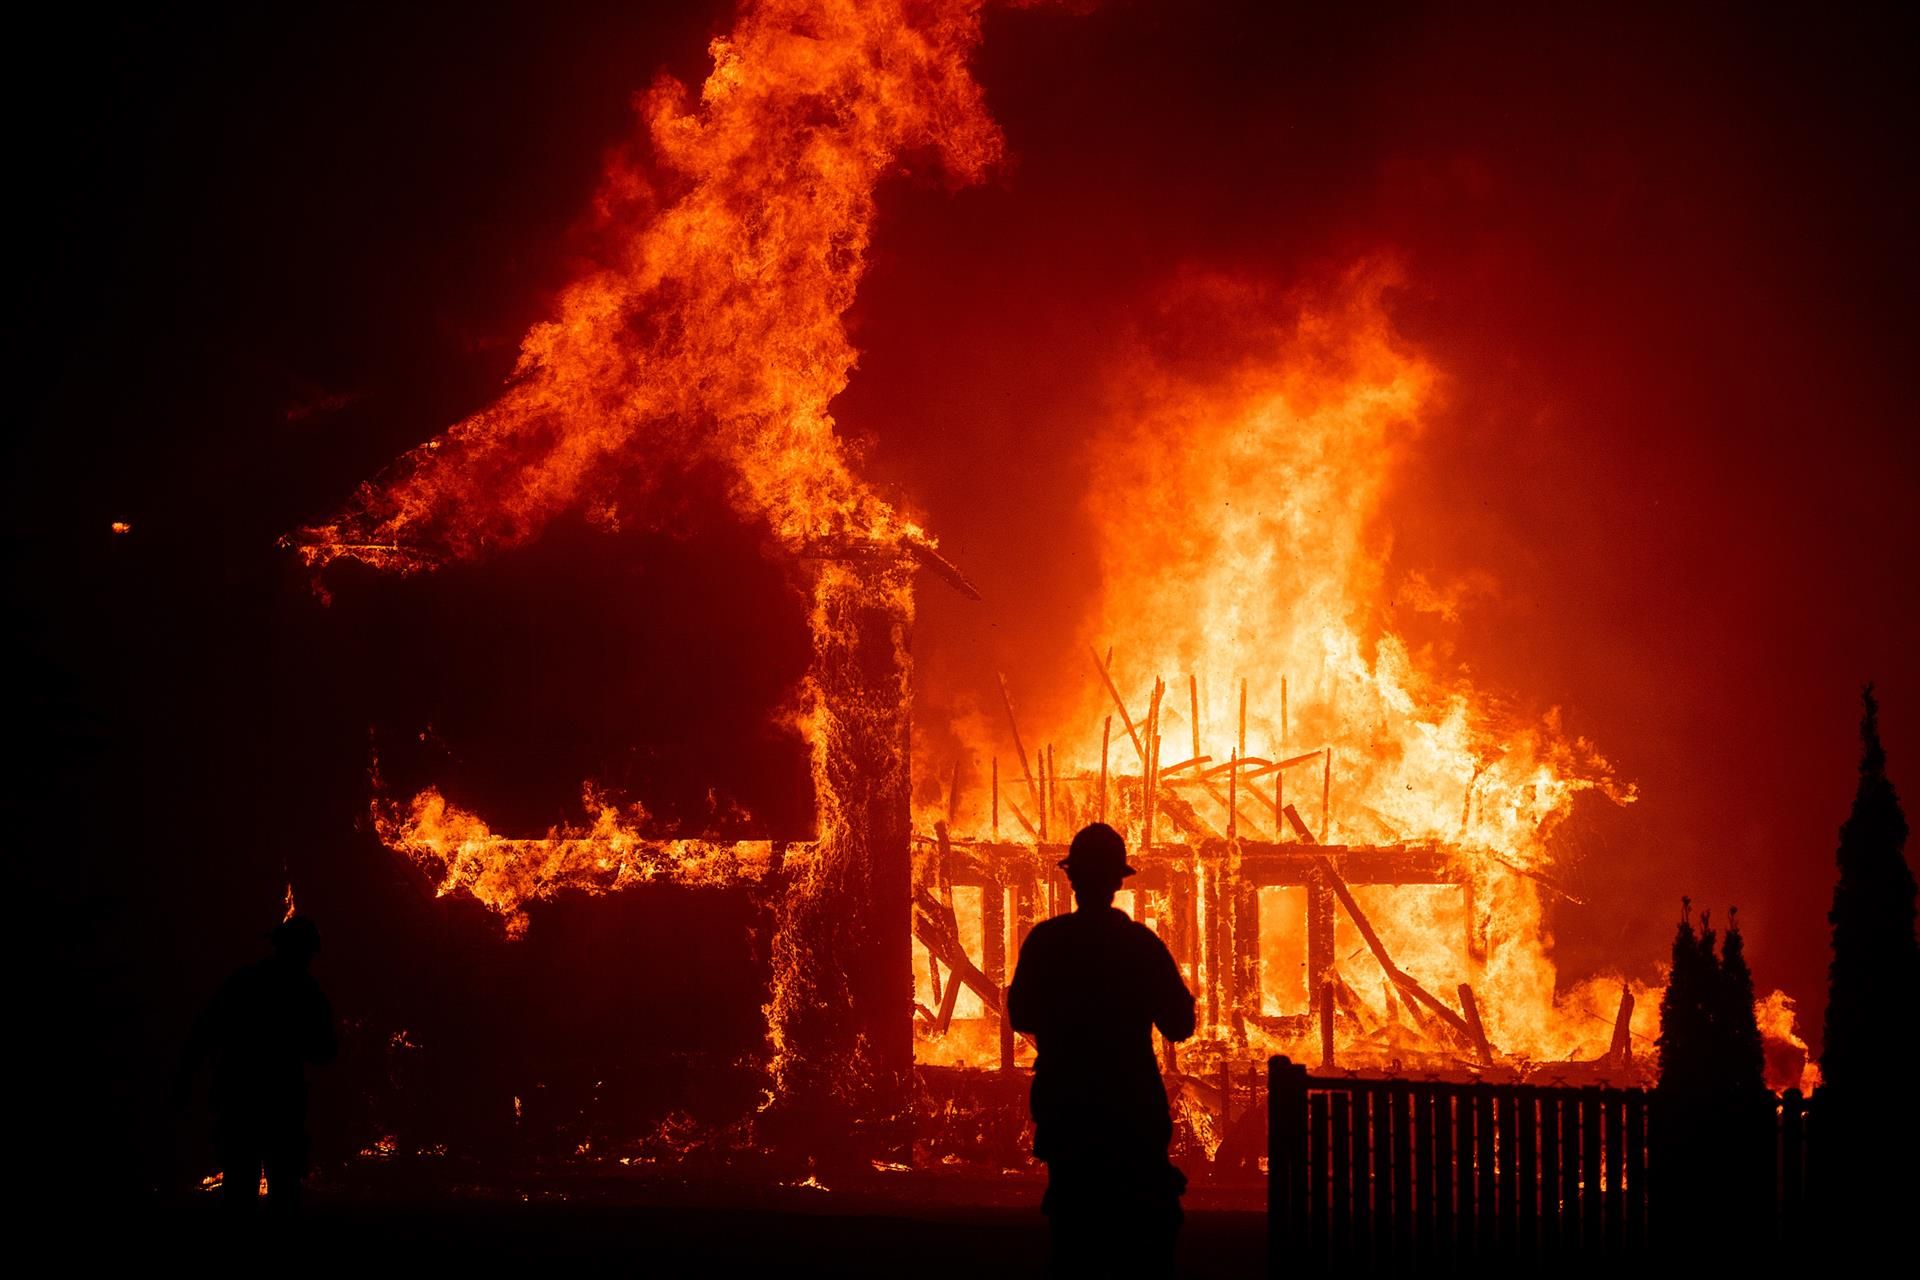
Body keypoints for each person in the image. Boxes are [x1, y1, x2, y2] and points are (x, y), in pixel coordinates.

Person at [1008, 823, 1197, 1276]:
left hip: (1068, 1113)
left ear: (1072, 880)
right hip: (1132, 1114)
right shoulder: (1141, 947)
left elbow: (1022, 1017)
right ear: (1118, 881)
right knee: (1143, 1242)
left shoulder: (1046, 942)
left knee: (1075, 1241)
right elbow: (1180, 1024)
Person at [178, 914, 336, 1218]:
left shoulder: (245, 981)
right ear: (307, 950)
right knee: (283, 1191)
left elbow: (205, 1030)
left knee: (241, 1191)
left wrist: (186, 1079)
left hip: (241, 1099)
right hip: (279, 1103)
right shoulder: (307, 992)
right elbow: (325, 1052)